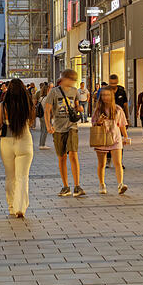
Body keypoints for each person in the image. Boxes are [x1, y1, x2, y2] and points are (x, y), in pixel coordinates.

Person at [0, 79, 35, 217]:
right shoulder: (28, 104)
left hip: (7, 142)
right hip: (24, 140)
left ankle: (11, 206)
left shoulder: (3, 105)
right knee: (22, 177)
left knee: (10, 177)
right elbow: (31, 121)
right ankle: (20, 207)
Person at [45, 69, 85, 197]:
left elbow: (77, 106)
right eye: (72, 79)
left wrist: (80, 109)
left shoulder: (75, 91)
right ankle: (65, 186)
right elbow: (47, 110)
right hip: (58, 127)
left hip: (71, 126)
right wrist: (48, 125)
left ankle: (77, 186)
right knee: (62, 157)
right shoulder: (54, 92)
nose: (73, 82)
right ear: (64, 79)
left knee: (73, 154)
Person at [92, 88, 129, 195]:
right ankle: (102, 184)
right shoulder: (98, 110)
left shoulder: (118, 109)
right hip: (101, 139)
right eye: (103, 95)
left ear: (112, 96)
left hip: (115, 139)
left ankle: (120, 184)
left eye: (107, 95)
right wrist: (98, 122)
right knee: (102, 163)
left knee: (118, 163)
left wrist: (125, 137)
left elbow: (122, 125)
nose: (105, 97)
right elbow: (94, 124)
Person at [37, 83, 51, 150]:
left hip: (41, 115)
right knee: (45, 130)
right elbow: (47, 109)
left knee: (42, 130)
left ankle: (41, 144)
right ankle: (42, 144)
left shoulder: (41, 98)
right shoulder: (47, 98)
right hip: (45, 115)